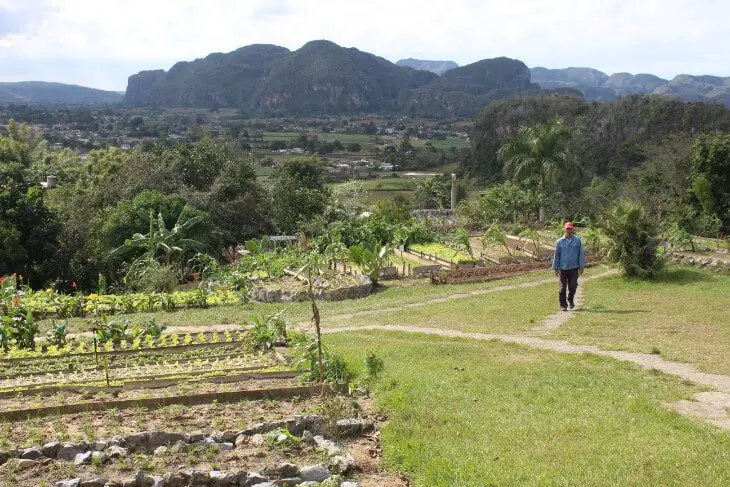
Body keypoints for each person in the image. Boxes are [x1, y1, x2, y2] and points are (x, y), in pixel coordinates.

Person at [551, 221, 586, 311]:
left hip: (574, 268)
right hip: (563, 268)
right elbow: (557, 255)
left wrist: (581, 266)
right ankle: (563, 305)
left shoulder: (577, 241)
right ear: (564, 229)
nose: (569, 230)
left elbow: (580, 253)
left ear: (572, 229)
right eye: (567, 229)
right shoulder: (559, 242)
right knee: (562, 288)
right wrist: (555, 268)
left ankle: (570, 300)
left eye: (570, 228)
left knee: (573, 286)